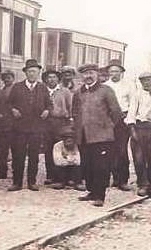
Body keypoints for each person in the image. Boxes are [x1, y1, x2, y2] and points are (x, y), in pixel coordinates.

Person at [72, 63, 121, 207]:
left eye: (91, 73)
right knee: (87, 165)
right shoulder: (78, 92)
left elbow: (116, 113)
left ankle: (100, 195)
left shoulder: (106, 90)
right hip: (84, 136)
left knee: (101, 166)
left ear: (97, 75)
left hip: (102, 137)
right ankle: (92, 191)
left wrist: (107, 126)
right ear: (82, 76)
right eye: (85, 74)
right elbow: (74, 112)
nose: (88, 76)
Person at [6, 59, 52, 191]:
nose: (32, 74)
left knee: (34, 156)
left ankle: (32, 182)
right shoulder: (17, 87)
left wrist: (47, 110)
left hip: (36, 128)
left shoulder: (42, 88)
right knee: (18, 155)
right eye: (30, 71)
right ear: (25, 73)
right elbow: (9, 103)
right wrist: (13, 110)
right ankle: (17, 183)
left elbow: (49, 104)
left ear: (38, 73)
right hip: (19, 128)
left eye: (35, 72)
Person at [125, 71, 151, 200]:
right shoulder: (137, 95)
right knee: (139, 159)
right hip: (140, 128)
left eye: (149, 80)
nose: (146, 83)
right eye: (143, 81)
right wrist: (133, 132)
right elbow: (131, 114)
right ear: (141, 82)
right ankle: (142, 184)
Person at [104, 59, 134, 191]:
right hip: (109, 119)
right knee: (109, 149)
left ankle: (123, 180)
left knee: (121, 150)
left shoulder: (129, 85)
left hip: (123, 119)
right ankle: (114, 178)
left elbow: (133, 104)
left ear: (121, 72)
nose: (114, 74)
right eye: (111, 71)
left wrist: (128, 118)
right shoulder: (105, 86)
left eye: (116, 71)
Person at [44, 68, 73, 187]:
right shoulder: (42, 91)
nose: (51, 80)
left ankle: (63, 177)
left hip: (61, 122)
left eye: (54, 77)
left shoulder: (64, 91)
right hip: (46, 123)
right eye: (49, 77)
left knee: (62, 149)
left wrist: (70, 120)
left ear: (58, 79)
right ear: (46, 79)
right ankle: (50, 176)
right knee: (48, 149)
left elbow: (70, 106)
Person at [0, 70, 16, 180]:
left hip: (13, 125)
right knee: (2, 150)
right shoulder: (0, 92)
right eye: (5, 78)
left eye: (9, 77)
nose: (7, 80)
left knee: (15, 150)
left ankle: (16, 172)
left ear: (13, 79)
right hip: (1, 125)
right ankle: (2, 171)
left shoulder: (16, 91)